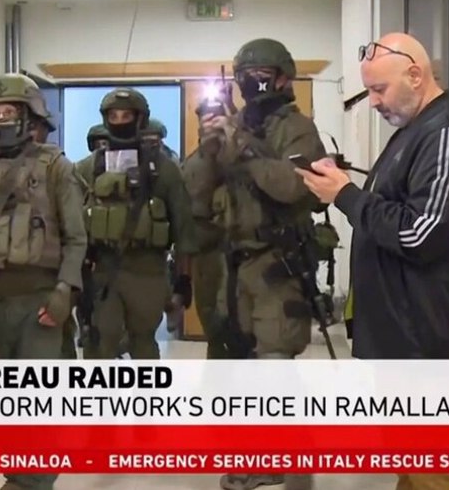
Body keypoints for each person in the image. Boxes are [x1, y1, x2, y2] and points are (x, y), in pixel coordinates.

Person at [295, 33, 449, 490]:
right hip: (404, 338)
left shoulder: (448, 133)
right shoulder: (416, 131)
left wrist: (344, 195)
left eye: (378, 90)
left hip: (425, 341)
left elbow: (419, 233)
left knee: (434, 468)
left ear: (415, 75)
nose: (372, 102)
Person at [197, 38, 326, 490]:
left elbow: (293, 188)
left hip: (278, 263)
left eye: (263, 73)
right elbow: (195, 194)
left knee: (274, 367)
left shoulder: (297, 129)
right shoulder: (231, 127)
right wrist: (208, 145)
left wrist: (245, 147)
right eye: (245, 75)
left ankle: (297, 468)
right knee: (240, 367)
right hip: (233, 263)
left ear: (284, 77)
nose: (253, 83)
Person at [0, 73, 86, 490]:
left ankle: (30, 480)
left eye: (9, 111)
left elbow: (77, 239)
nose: (1, 118)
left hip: (38, 302)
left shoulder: (56, 166)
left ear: (29, 115)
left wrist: (65, 290)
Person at [76, 88, 197, 360]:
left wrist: (183, 281)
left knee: (143, 343)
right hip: (103, 270)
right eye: (114, 116)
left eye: (127, 115)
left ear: (140, 118)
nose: (120, 121)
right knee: (100, 341)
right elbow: (72, 225)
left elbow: (183, 227)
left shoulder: (163, 169)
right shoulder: (88, 168)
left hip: (148, 270)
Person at [180, 95, 231, 359]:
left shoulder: (241, 152)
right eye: (205, 118)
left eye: (216, 116)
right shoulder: (195, 161)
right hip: (207, 253)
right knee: (214, 323)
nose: (211, 122)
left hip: (241, 250)